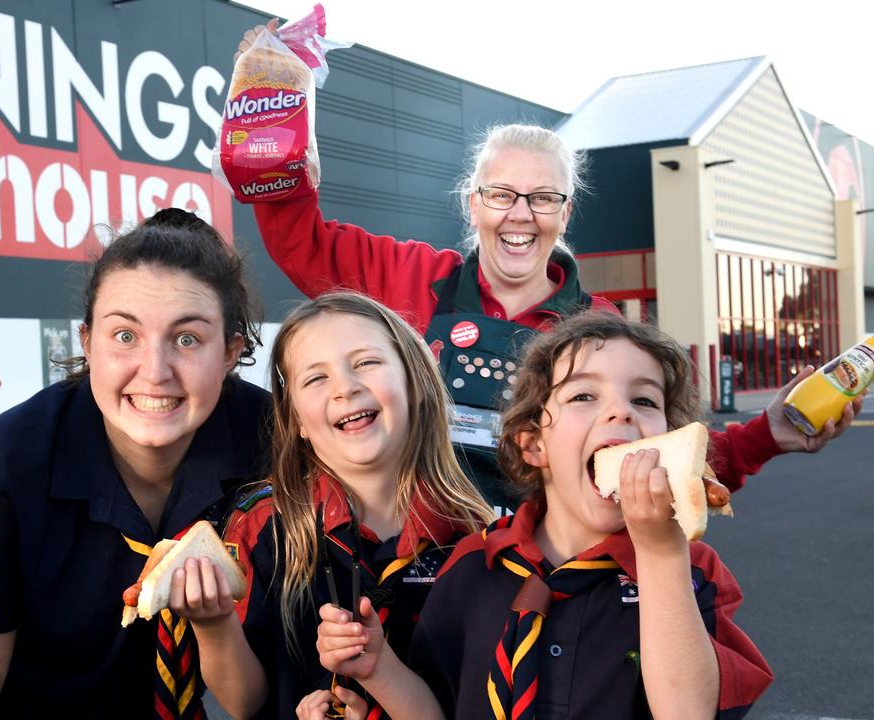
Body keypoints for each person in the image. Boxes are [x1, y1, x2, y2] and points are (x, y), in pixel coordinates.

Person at [246, 114, 860, 509]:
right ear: (474, 204)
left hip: (529, 580)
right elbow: (300, 240)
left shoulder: (604, 331)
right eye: (502, 195)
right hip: (401, 559)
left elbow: (657, 460)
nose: (520, 214)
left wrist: (768, 435)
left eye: (543, 198)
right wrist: (276, 134)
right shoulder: (409, 276)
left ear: (565, 213)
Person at [313, 312, 773, 719]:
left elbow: (689, 712)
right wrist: (381, 670)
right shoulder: (472, 564)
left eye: (646, 401)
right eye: (583, 397)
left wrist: (659, 554)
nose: (621, 412)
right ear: (533, 444)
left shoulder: (693, 573)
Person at [0, 208, 271, 719]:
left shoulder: (278, 446)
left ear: (231, 351)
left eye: (187, 339)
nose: (155, 371)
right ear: (87, 341)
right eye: (125, 336)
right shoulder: (12, 458)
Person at [188, 291, 494, 719]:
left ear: (415, 382)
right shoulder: (259, 524)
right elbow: (242, 703)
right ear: (296, 421)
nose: (346, 388)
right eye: (316, 378)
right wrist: (212, 621)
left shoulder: (472, 534)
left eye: (366, 362)